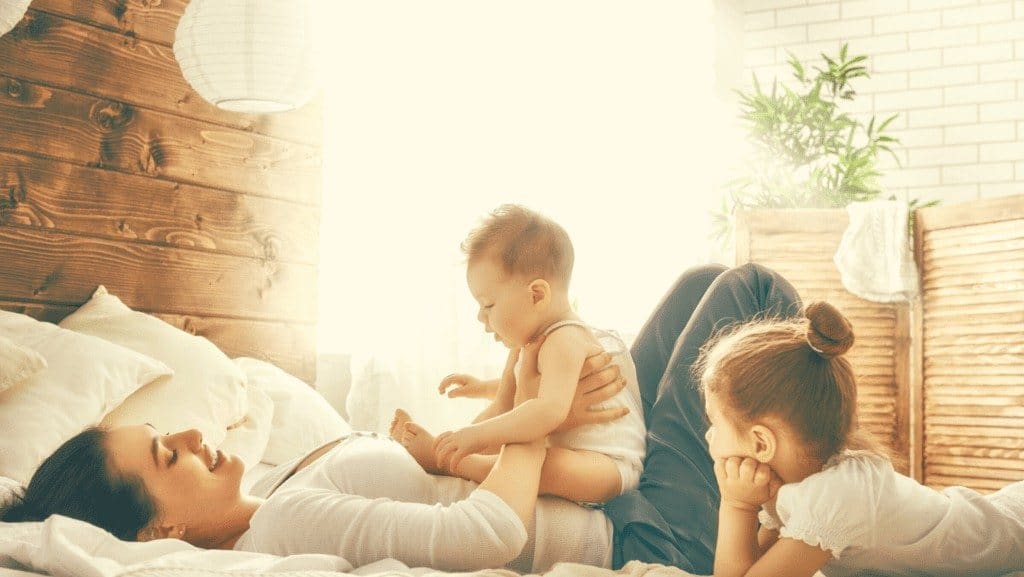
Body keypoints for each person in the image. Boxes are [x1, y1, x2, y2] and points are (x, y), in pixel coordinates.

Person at [3, 263, 803, 574]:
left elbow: (449, 482)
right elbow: (487, 534)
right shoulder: (282, 530)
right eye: (164, 458)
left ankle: (781, 477)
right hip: (646, 532)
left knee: (708, 281)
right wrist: (537, 410)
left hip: (608, 484)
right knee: (752, 292)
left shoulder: (282, 488)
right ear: (158, 531)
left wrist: (535, 401)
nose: (184, 434)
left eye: (161, 430)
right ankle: (804, 482)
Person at [702, 301, 1024, 577]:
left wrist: (737, 505)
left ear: (761, 443)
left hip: (1009, 529)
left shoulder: (834, 496)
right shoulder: (798, 486)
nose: (708, 435)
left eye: (714, 423)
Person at [394, 204, 646, 505]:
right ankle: (446, 448)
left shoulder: (564, 339)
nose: (480, 317)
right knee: (507, 428)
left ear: (536, 295)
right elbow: (508, 399)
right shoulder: (527, 343)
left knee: (543, 463)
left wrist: (476, 438)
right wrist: (481, 392)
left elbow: (547, 409)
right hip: (577, 453)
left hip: (610, 465)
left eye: (488, 305)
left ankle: (454, 462)